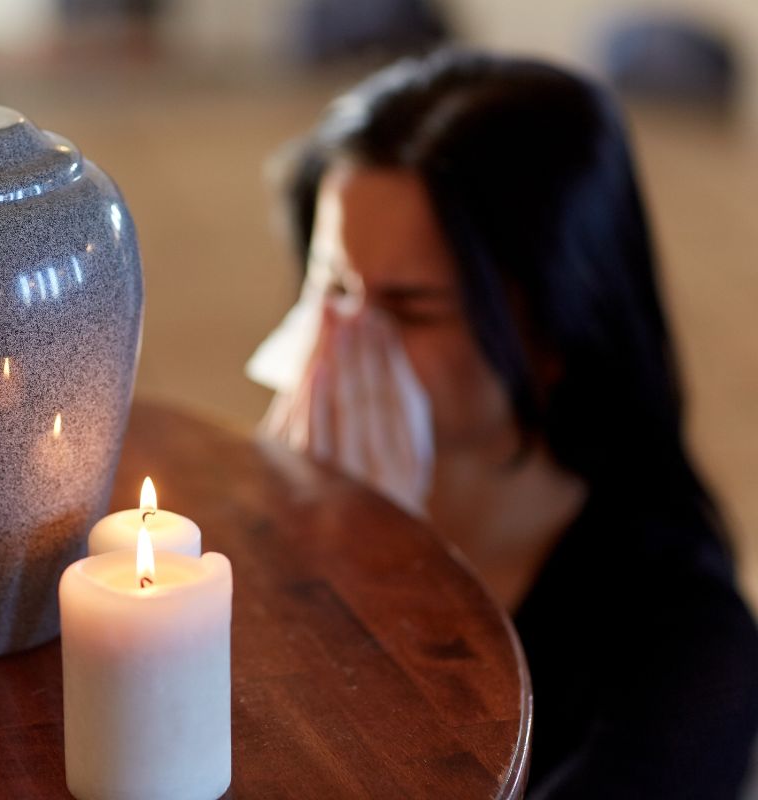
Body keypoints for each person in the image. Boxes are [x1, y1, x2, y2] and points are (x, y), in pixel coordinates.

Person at [255, 49, 758, 798]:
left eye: (410, 307)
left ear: (554, 329)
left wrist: (370, 597)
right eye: (332, 285)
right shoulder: (306, 488)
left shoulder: (683, 651)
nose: (345, 343)